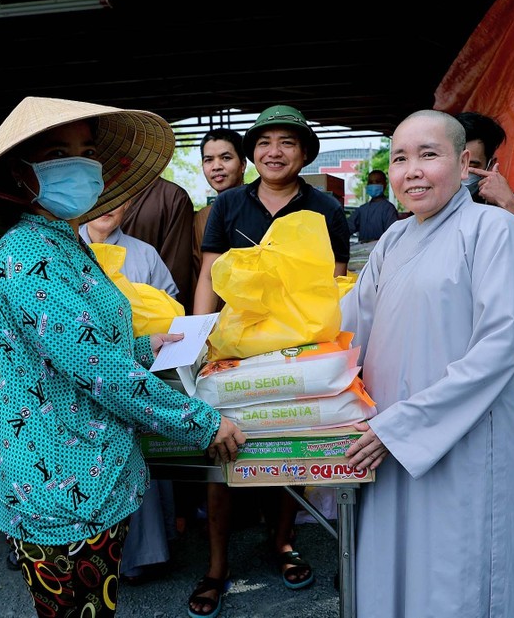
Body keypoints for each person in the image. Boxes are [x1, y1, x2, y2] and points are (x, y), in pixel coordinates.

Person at [0, 95, 245, 618]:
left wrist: (139, 346)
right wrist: (203, 423)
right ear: (22, 174)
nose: (82, 163)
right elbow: (98, 371)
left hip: (90, 472)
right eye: (61, 152)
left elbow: (69, 351)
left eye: (86, 150)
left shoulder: (61, 240)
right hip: (63, 485)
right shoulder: (30, 252)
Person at [341, 110, 514, 617]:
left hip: (460, 441)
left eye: (428, 155)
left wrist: (403, 426)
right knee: (394, 570)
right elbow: (348, 328)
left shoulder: (494, 230)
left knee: (458, 576)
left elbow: (497, 350)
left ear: (464, 161)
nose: (412, 171)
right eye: (401, 158)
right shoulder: (393, 239)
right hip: (388, 430)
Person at [189, 105, 350, 618]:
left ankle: (282, 543)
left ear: (305, 153)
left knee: (287, 439)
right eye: (264, 143)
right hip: (236, 344)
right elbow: (209, 275)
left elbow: (335, 282)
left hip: (299, 344)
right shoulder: (230, 204)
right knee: (223, 445)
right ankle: (216, 566)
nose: (273, 152)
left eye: (287, 143)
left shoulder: (325, 206)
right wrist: (199, 338)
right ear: (252, 153)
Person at [78, 199, 179, 584]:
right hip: (82, 375)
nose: (106, 208)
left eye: (116, 200)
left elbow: (169, 303)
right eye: (96, 200)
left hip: (136, 370)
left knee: (140, 461)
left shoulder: (144, 253)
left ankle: (143, 555)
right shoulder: (66, 250)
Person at [455, 111, 514, 285]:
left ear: (491, 164)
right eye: (457, 163)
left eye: (472, 165)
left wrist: (509, 206)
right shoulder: (432, 206)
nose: (463, 173)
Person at [121, 176, 196, 313]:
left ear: (126, 203)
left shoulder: (147, 254)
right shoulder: (74, 245)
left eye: (116, 201)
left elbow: (175, 270)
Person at [192, 127, 247, 312]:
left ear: (243, 164)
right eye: (209, 160)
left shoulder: (260, 207)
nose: (216, 166)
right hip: (214, 319)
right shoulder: (201, 217)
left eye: (226, 158)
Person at [346, 169, 397, 242]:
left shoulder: (388, 209)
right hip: (362, 251)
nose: (373, 184)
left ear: (384, 185)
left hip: (381, 251)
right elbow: (347, 228)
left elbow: (392, 236)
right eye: (370, 182)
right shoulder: (362, 209)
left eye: (377, 182)